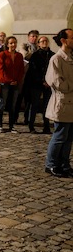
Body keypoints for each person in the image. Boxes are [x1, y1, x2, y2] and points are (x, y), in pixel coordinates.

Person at [44, 29, 73, 177]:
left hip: (71, 102)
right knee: (60, 135)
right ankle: (51, 164)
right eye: (72, 38)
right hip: (62, 101)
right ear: (63, 40)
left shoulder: (70, 57)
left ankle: (64, 164)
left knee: (69, 137)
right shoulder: (56, 59)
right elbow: (55, 81)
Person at [26, 36, 54, 134]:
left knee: (47, 105)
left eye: (46, 41)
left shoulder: (52, 55)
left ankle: (46, 127)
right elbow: (33, 70)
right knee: (34, 105)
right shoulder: (35, 55)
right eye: (42, 41)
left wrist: (49, 81)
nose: (44, 43)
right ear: (38, 44)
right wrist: (42, 81)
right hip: (36, 84)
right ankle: (31, 126)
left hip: (48, 84)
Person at [0, 36, 25, 133]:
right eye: (11, 43)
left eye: (14, 43)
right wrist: (8, 80)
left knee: (13, 105)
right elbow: (1, 70)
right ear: (7, 44)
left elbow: (21, 70)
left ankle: (11, 125)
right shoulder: (2, 54)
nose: (13, 45)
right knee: (2, 104)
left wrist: (17, 80)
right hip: (5, 83)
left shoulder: (19, 56)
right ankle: (0, 125)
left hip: (15, 83)